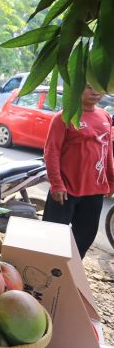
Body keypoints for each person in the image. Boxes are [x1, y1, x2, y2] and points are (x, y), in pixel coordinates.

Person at [42, 84, 114, 258]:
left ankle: (69, 276)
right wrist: (57, 184)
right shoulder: (64, 117)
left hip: (94, 191)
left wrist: (111, 180)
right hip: (65, 191)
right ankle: (42, 276)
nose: (95, 92)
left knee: (84, 238)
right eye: (88, 87)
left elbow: (107, 150)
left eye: (98, 87)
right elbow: (51, 151)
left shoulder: (104, 116)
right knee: (50, 238)